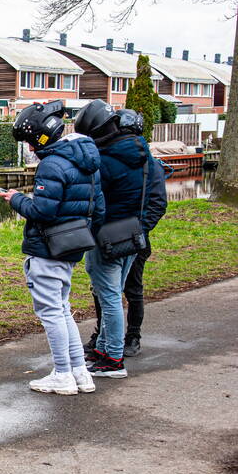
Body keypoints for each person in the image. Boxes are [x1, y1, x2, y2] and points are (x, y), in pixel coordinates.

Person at [0, 100, 105, 395]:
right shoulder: (86, 160)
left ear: (40, 138)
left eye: (31, 143)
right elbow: (99, 210)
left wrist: (16, 199)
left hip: (48, 248)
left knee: (51, 313)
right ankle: (80, 373)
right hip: (72, 247)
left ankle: (62, 374)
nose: (30, 149)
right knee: (62, 309)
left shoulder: (52, 164)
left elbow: (43, 211)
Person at [75, 100, 163, 377]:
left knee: (110, 297)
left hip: (107, 235)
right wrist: (141, 228)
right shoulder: (142, 154)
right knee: (113, 293)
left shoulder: (106, 160)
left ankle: (113, 359)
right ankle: (103, 350)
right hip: (132, 235)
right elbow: (152, 198)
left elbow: (94, 201)